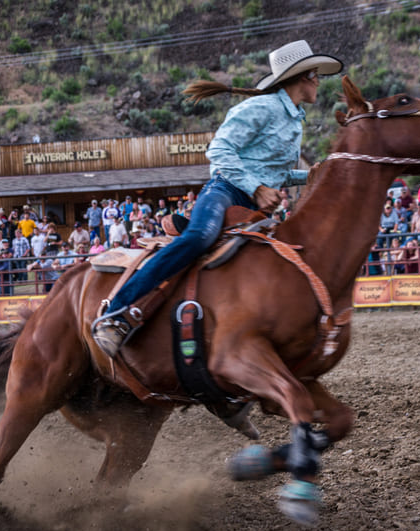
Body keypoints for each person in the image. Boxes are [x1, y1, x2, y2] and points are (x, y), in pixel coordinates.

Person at [92, 40, 343, 355]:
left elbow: (272, 174)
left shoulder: (293, 119)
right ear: (303, 77)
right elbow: (219, 151)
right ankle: (115, 313)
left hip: (255, 207)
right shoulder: (261, 108)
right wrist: (256, 188)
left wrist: (308, 177)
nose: (319, 80)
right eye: (316, 74)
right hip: (226, 191)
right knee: (199, 237)